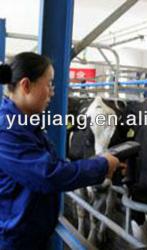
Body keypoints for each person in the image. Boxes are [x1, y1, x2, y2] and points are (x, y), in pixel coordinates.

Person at [0, 52, 122, 250]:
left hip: (31, 234)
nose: (52, 92)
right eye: (49, 84)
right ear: (26, 85)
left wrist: (100, 166)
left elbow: (53, 165)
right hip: (16, 241)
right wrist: (101, 165)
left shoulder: (26, 125)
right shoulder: (7, 131)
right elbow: (48, 175)